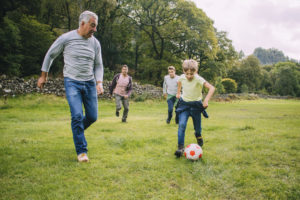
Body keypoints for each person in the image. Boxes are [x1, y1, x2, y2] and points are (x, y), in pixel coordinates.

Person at [37, 11, 104, 162]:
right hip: (72, 82)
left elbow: (99, 65)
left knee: (93, 117)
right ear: (82, 23)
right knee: (77, 116)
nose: (95, 29)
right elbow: (50, 55)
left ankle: (77, 130)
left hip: (89, 83)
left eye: (96, 26)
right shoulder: (66, 38)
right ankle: (82, 152)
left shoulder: (95, 43)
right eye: (92, 25)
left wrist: (99, 82)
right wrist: (43, 75)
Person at [174, 59, 215, 157]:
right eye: (186, 73)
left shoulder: (198, 79)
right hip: (184, 105)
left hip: (196, 105)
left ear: (196, 71)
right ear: (183, 71)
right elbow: (179, 82)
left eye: (191, 74)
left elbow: (212, 88)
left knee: (197, 128)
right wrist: (178, 92)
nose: (189, 76)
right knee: (182, 125)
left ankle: (198, 135)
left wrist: (206, 100)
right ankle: (180, 148)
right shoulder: (182, 77)